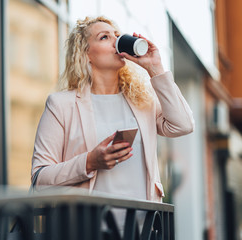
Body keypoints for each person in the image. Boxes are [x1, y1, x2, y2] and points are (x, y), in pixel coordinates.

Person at [31, 16, 194, 203]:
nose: (117, 41)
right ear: (85, 54)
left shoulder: (143, 101)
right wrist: (90, 161)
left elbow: (183, 125)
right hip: (89, 227)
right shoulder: (61, 105)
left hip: (141, 227)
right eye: (104, 37)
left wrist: (155, 67)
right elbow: (39, 179)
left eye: (117, 35)